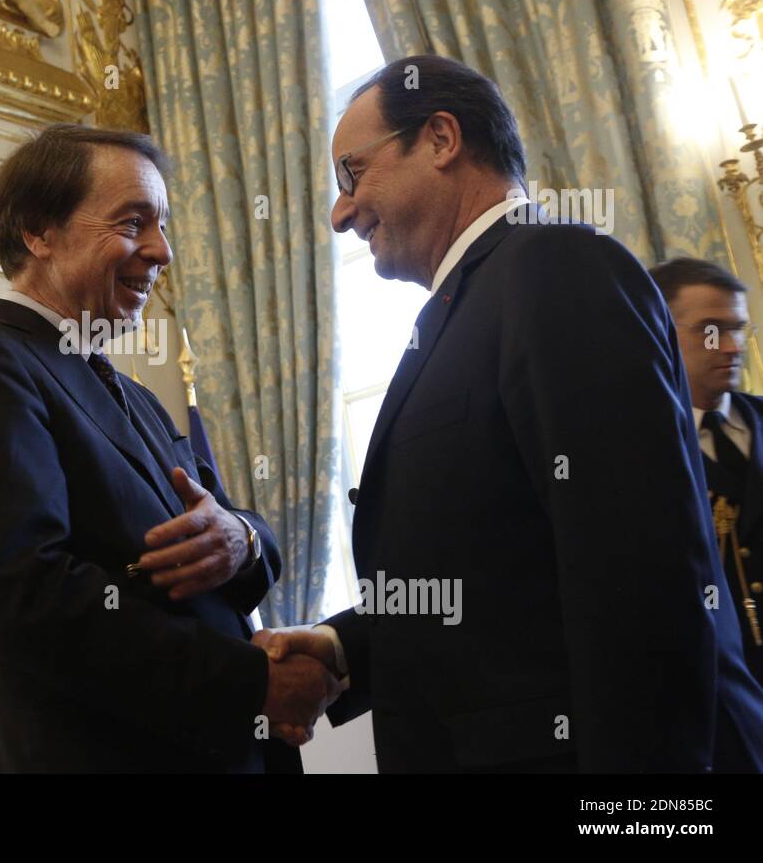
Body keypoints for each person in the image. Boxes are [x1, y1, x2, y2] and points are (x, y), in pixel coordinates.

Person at [257, 55, 763, 772]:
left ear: (439, 138)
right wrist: (345, 649)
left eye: (353, 174)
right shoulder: (469, 306)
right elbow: (504, 582)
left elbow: (639, 584)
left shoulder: (555, 270)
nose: (340, 213)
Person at [0, 124, 329, 772]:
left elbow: (250, 539)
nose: (161, 252)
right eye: (134, 223)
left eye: (163, 226)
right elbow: (29, 599)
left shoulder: (138, 398)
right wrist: (252, 685)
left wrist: (237, 538)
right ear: (39, 231)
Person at [650, 257, 763, 689]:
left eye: (739, 329)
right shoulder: (640, 450)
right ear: (658, 330)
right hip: (718, 688)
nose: (733, 346)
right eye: (712, 330)